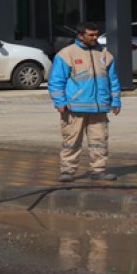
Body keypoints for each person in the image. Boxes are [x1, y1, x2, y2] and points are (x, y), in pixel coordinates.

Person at [47, 21, 121, 182]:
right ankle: (67, 170)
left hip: (100, 108)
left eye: (96, 34)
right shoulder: (66, 54)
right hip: (74, 107)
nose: (95, 38)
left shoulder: (105, 54)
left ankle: (98, 170)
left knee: (99, 141)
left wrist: (115, 101)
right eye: (91, 35)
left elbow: (113, 80)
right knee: (71, 141)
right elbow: (55, 81)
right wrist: (59, 101)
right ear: (80, 35)